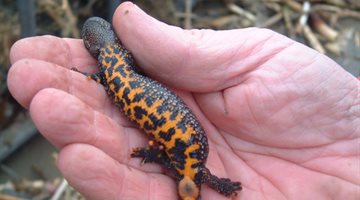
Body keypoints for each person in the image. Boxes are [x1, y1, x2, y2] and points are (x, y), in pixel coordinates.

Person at [7, 2, 359, 200]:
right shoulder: (120, 66)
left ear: (94, 49)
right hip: (175, 132)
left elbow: (116, 83)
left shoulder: (113, 67)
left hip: (175, 134)